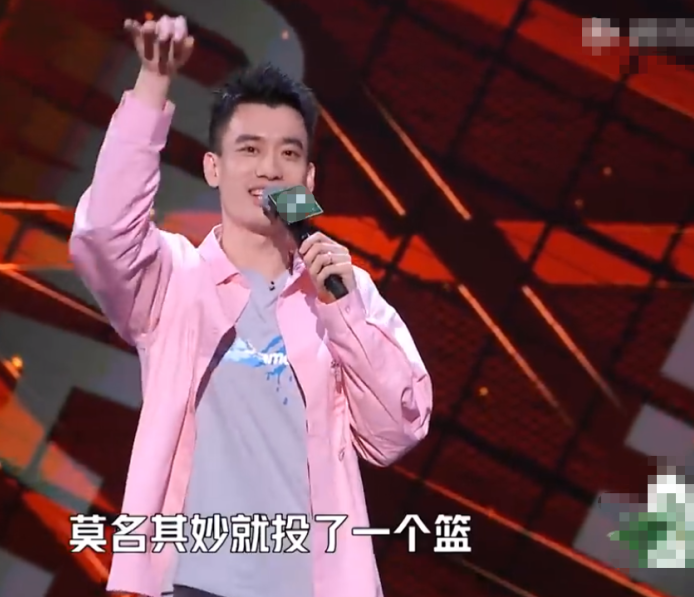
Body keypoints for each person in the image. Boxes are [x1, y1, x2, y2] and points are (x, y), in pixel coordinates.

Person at [69, 14, 432, 597]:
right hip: (188, 582)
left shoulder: (342, 293)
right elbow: (104, 233)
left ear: (307, 179)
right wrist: (153, 83)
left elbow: (397, 430)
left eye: (288, 153)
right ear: (213, 167)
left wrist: (342, 308)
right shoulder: (175, 280)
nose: (269, 168)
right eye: (249, 149)